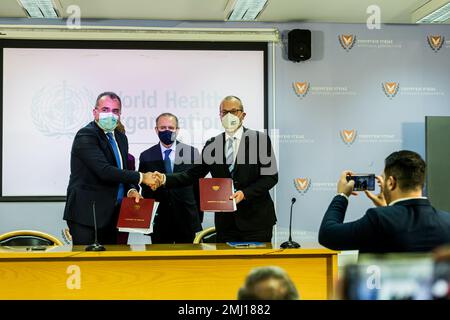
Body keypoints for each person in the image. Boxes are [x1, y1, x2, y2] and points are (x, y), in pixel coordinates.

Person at [150, 96, 278, 243]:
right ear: (220, 116)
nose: (228, 116)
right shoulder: (212, 144)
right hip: (226, 224)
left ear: (243, 115)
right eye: (224, 112)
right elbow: (192, 174)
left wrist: (245, 193)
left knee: (256, 265)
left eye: (233, 111)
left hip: (257, 222)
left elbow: (271, 177)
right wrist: (164, 179)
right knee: (225, 266)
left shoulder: (259, 140)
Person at [63, 92, 155, 245]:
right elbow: (104, 171)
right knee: (88, 265)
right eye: (105, 110)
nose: (110, 115)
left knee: (109, 265)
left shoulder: (120, 138)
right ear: (95, 112)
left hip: (113, 215)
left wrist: (132, 190)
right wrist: (142, 177)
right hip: (87, 215)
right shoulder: (86, 135)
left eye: (115, 111)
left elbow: (123, 169)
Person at [319, 150, 450, 253]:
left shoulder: (378, 219)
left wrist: (342, 195)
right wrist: (386, 208)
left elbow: (327, 234)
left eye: (383, 178)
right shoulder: (446, 221)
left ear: (391, 182)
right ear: (421, 184)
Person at [138, 113, 203, 243]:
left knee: (187, 261)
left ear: (177, 130)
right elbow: (145, 188)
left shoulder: (192, 153)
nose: (167, 131)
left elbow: (198, 187)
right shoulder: (146, 156)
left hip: (187, 218)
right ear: (156, 130)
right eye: (162, 128)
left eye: (171, 128)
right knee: (159, 261)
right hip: (159, 220)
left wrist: (197, 216)